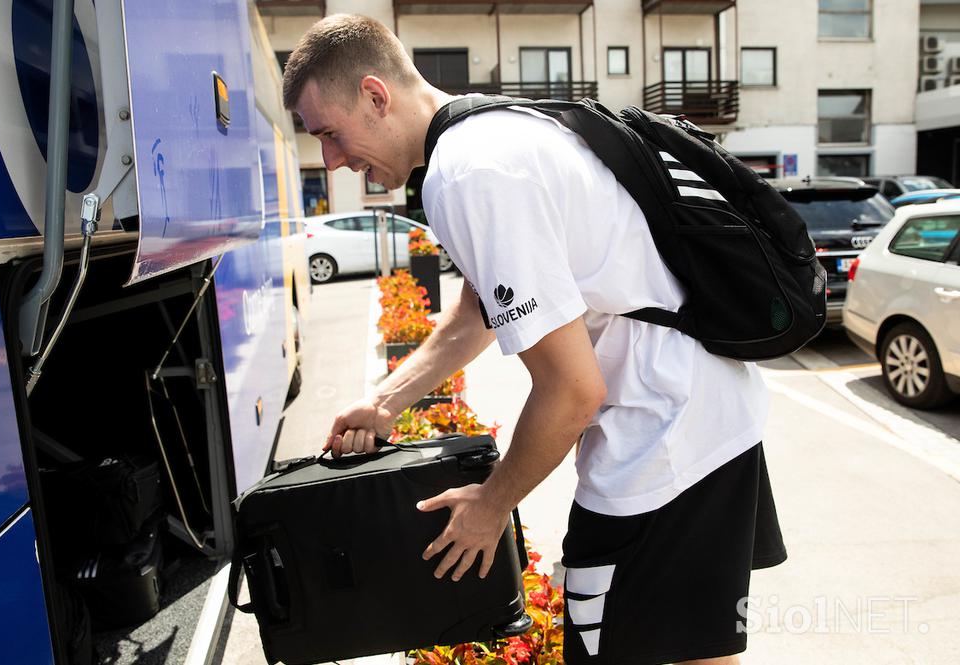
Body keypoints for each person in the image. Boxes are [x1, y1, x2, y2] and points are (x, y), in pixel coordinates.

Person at [281, 14, 786, 665]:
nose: (332, 159)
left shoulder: (468, 174)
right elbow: (476, 314)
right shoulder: (490, 132)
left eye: (329, 133)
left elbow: (574, 390)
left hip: (665, 445)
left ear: (376, 96)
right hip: (703, 418)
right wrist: (388, 399)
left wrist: (491, 504)